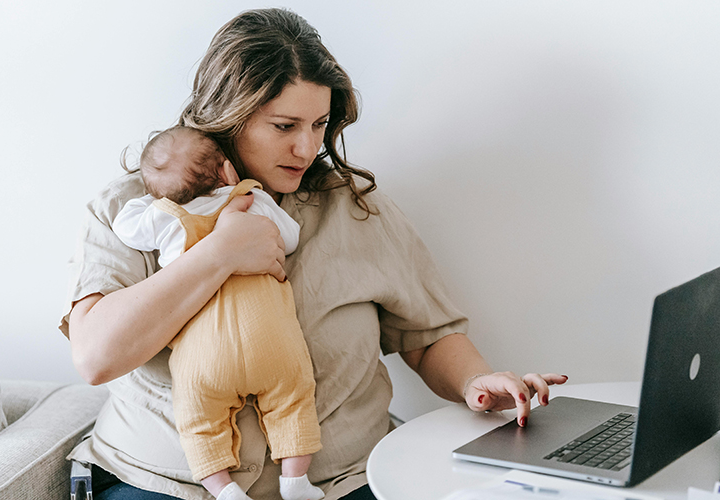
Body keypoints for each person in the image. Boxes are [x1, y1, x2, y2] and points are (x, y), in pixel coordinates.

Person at [62, 8, 567, 500]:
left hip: (343, 481)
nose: (307, 148)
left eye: (319, 124)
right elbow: (97, 356)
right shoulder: (133, 209)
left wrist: (476, 382)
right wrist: (220, 253)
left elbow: (426, 335)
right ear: (228, 116)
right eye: (285, 126)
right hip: (167, 483)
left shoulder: (357, 210)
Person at [111, 125, 324, 500]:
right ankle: (295, 481)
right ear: (227, 171)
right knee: (294, 399)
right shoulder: (251, 198)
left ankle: (223, 489)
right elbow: (289, 237)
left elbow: (126, 227)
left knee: (198, 421)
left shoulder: (166, 217)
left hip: (203, 355)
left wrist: (152, 198)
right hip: (270, 339)